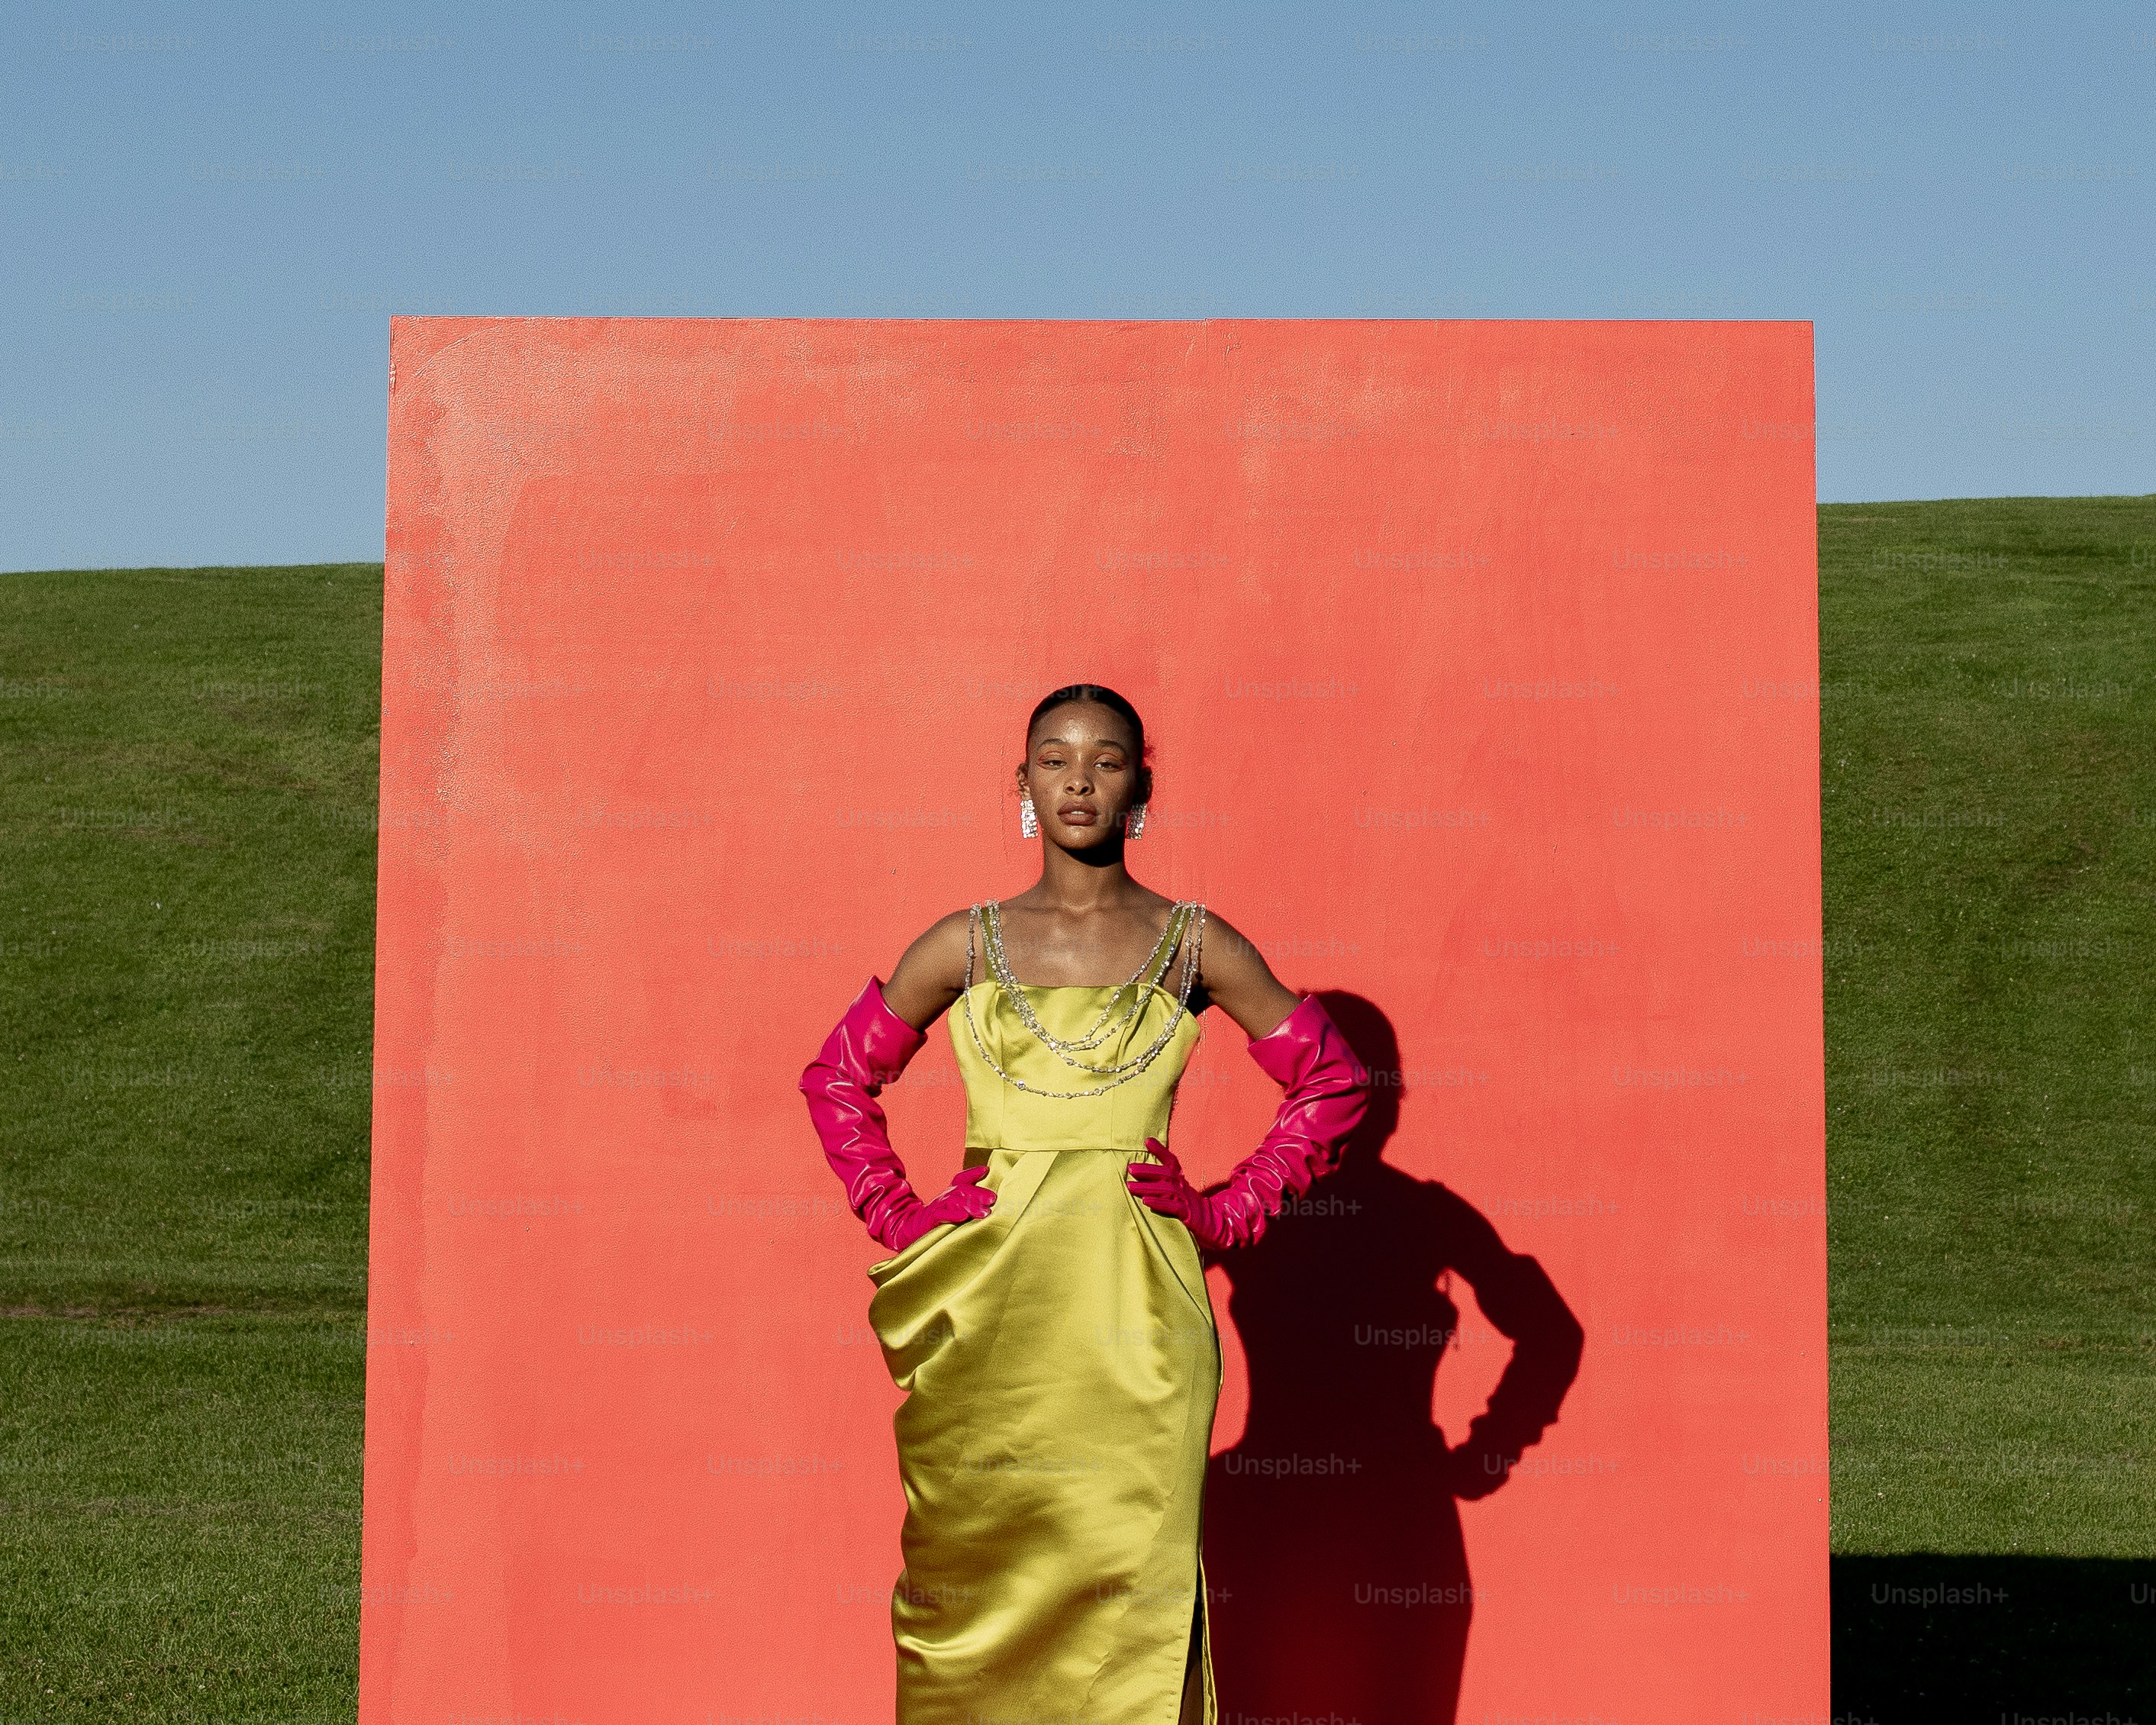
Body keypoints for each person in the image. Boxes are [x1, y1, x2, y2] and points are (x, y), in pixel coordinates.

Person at [799, 682, 1371, 1724]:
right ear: (1020, 785)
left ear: (1138, 786)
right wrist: (899, 1215)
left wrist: (1229, 1212)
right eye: (1054, 759)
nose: (1078, 780)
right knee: (967, 1592)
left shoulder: (1194, 945)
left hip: (1136, 1321)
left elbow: (1333, 1081)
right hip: (983, 1312)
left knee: (1131, 1595)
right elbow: (834, 1081)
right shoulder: (963, 945)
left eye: (1106, 760)